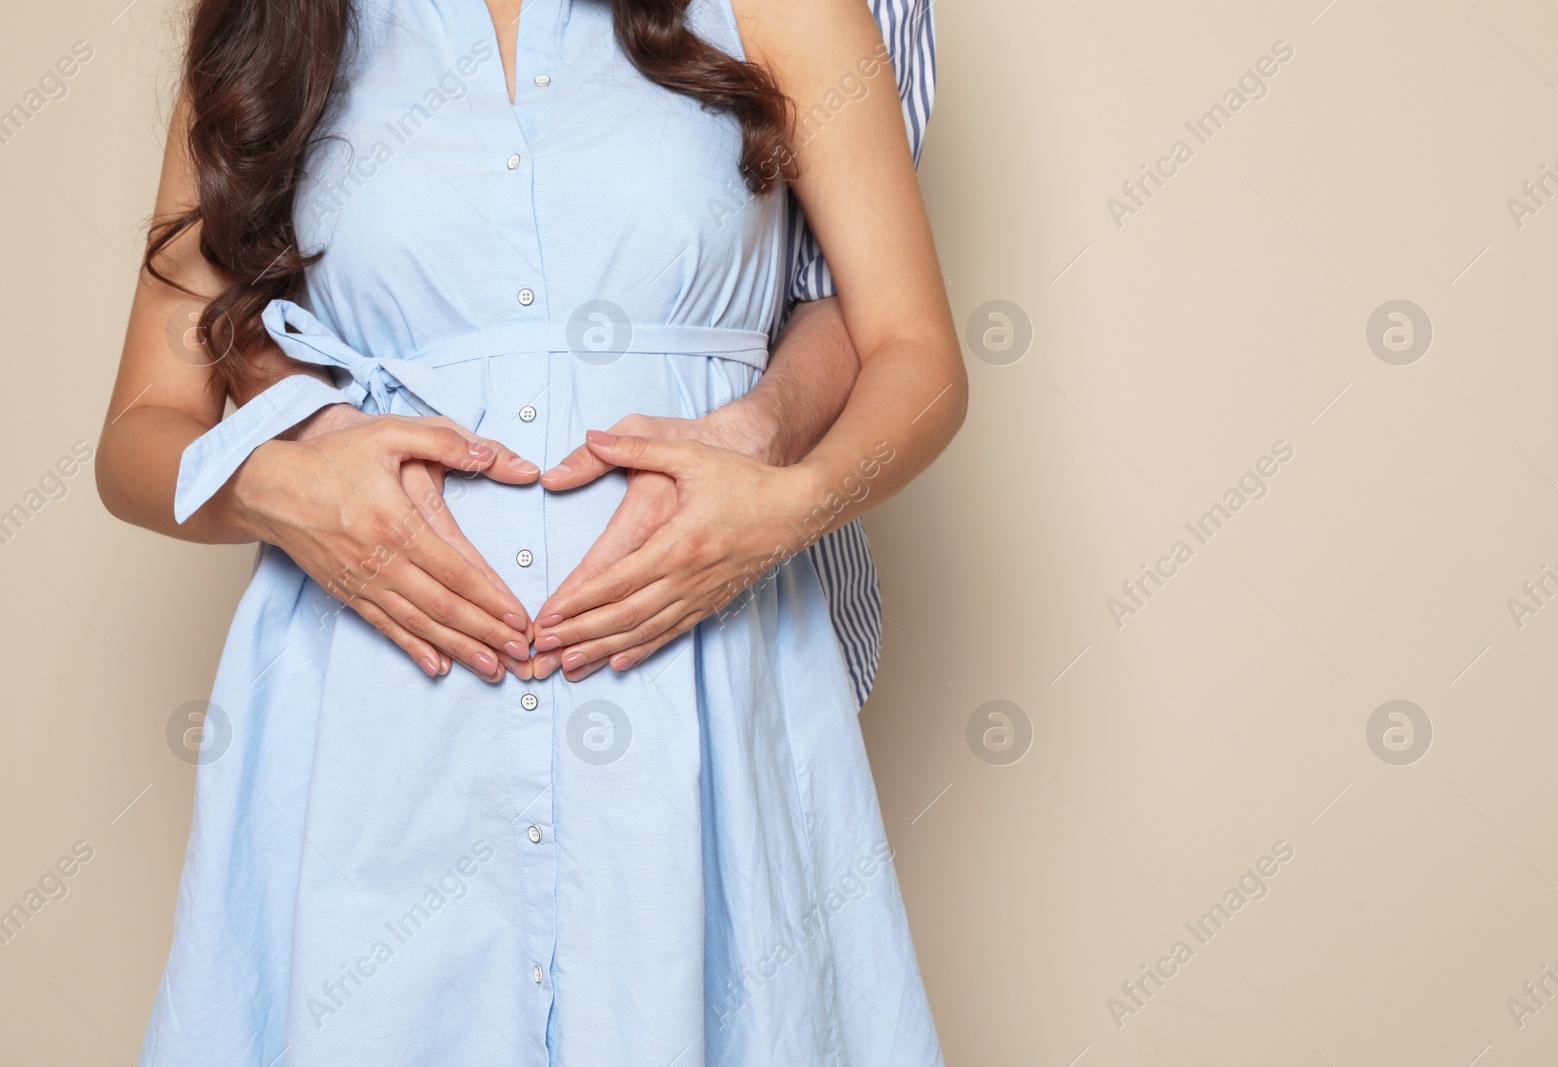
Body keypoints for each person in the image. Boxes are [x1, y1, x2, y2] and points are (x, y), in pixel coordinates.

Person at [97, 0, 964, 1062]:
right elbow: (139, 434)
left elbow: (915, 354)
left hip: (696, 695)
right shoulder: (271, 28)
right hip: (374, 722)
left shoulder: (781, 11)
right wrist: (283, 492)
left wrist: (791, 502)